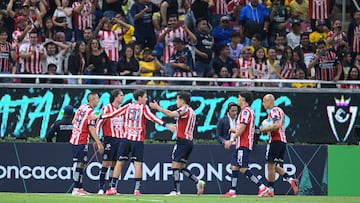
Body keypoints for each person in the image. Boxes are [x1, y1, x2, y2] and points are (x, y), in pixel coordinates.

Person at [102, 89, 175, 196]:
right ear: (139, 98)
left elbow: (114, 114)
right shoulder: (143, 108)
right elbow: (153, 118)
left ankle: (113, 188)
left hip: (125, 139)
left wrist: (101, 116)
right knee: (137, 164)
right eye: (145, 97)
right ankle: (136, 190)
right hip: (137, 140)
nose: (146, 99)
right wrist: (167, 125)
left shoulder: (127, 106)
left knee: (119, 163)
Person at [149, 91, 206, 196]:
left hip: (182, 141)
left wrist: (158, 108)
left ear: (182, 101)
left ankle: (176, 190)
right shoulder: (192, 111)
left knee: (175, 166)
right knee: (181, 167)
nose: (176, 102)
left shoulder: (184, 109)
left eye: (177, 99)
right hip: (189, 142)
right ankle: (198, 181)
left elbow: (171, 114)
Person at [222, 92, 269, 198]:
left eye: (239, 97)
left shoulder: (245, 112)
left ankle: (262, 187)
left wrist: (231, 139)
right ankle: (232, 191)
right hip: (241, 144)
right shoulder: (246, 111)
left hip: (244, 144)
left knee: (243, 168)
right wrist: (235, 130)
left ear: (243, 99)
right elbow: (246, 128)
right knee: (234, 166)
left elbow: (243, 128)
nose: (238, 99)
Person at [260, 94, 299, 196]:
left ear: (270, 101)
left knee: (270, 166)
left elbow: (277, 126)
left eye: (264, 101)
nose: (263, 104)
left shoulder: (274, 111)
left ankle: (270, 190)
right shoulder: (279, 111)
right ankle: (290, 180)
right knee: (273, 166)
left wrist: (264, 129)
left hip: (276, 140)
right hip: (281, 141)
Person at [70, 92, 104, 195]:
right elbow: (91, 127)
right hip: (81, 139)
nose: (98, 101)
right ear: (92, 100)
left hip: (75, 138)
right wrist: (98, 142)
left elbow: (73, 122)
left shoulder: (81, 107)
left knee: (82, 164)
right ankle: (76, 188)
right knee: (80, 164)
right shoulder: (90, 111)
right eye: (97, 99)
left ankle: (79, 187)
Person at [95, 89, 124, 195]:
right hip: (109, 139)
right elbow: (99, 123)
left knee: (116, 165)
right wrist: (97, 140)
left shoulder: (121, 109)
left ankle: (111, 188)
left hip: (120, 140)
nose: (123, 97)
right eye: (121, 95)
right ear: (115, 96)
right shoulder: (106, 108)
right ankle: (101, 188)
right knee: (106, 163)